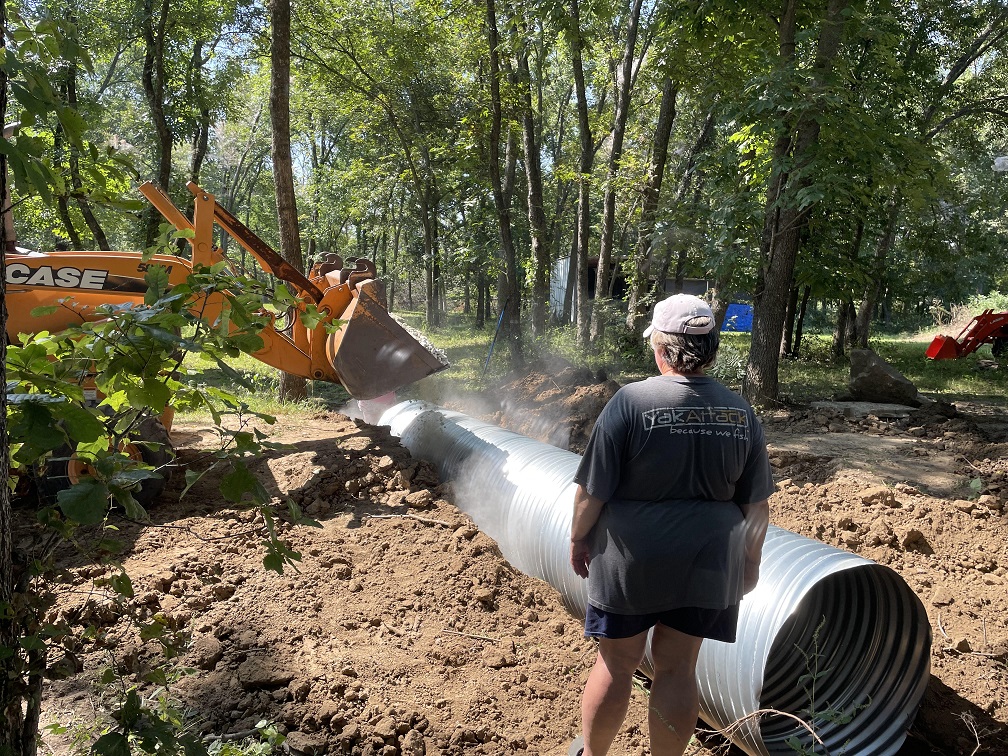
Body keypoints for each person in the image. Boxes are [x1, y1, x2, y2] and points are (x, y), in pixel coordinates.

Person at [569, 293, 773, 756]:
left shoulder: (630, 402)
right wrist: (750, 565)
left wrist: (578, 537)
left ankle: (593, 754)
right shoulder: (741, 412)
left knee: (618, 662)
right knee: (679, 668)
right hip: (709, 559)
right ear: (712, 347)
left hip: (630, 560)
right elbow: (756, 509)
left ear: (661, 348)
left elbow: (590, 493)